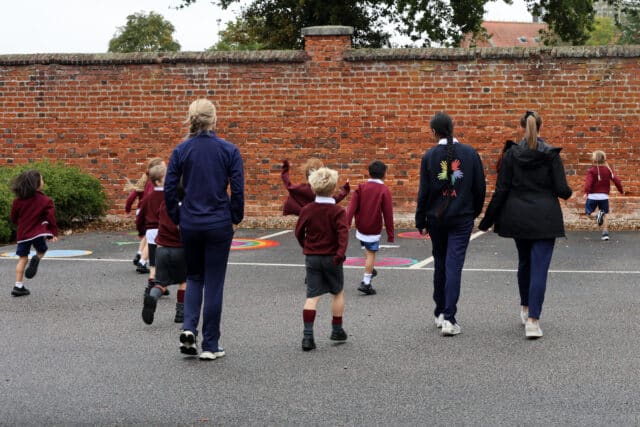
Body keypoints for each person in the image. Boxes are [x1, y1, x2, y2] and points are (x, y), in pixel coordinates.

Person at [479, 111, 572, 339]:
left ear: (522, 127)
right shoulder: (550, 154)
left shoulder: (511, 154)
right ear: (541, 126)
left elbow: (502, 189)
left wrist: (487, 220)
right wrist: (568, 191)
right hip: (545, 216)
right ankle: (533, 321)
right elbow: (562, 190)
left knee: (524, 263)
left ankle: (525, 307)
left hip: (517, 216)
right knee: (539, 267)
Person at [165, 98, 244, 361]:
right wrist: (236, 217)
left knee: (194, 277)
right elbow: (238, 188)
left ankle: (189, 328)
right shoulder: (228, 149)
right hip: (219, 221)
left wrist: (177, 215)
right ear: (214, 118)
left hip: (190, 221)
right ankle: (210, 343)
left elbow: (169, 187)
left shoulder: (181, 150)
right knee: (214, 282)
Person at [415, 112, 486, 336]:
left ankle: (439, 312)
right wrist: (473, 212)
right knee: (453, 265)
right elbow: (479, 187)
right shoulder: (470, 153)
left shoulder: (429, 156)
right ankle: (449, 317)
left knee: (440, 262)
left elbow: (424, 191)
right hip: (462, 215)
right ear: (452, 128)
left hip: (436, 217)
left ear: (434, 132)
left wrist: (420, 219)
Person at [295, 167, 349, 351]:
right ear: (334, 188)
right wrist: (340, 253)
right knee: (338, 292)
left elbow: (298, 232)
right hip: (332, 256)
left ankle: (308, 337)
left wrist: (306, 246)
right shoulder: (337, 211)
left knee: (312, 296)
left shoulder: (307, 209)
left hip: (312, 256)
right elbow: (343, 234)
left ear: (313, 187)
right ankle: (336, 329)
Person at [345, 160, 394, 295]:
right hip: (373, 227)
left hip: (360, 226)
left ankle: (370, 270)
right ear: (384, 174)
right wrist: (390, 234)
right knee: (371, 254)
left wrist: (346, 224)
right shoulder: (384, 190)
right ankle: (366, 282)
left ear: (369, 173)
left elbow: (351, 208)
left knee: (367, 251)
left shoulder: (360, 187)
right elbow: (388, 213)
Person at [141, 182, 187, 325]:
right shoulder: (186, 209)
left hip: (161, 250)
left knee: (160, 283)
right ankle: (181, 312)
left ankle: (153, 298)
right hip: (180, 250)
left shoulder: (164, 205)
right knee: (185, 281)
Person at [9, 170, 59, 297]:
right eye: (42, 180)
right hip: (37, 233)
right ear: (37, 184)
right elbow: (50, 217)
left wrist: (20, 224)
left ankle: (18, 286)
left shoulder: (18, 201)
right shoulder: (45, 200)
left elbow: (13, 218)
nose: (43, 181)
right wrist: (52, 232)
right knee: (42, 250)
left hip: (23, 234)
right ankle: (36, 259)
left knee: (22, 258)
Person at [124, 157, 165, 274]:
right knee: (150, 239)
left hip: (144, 211)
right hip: (149, 211)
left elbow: (132, 196)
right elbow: (134, 197)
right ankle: (142, 261)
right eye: (162, 166)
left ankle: (140, 256)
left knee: (148, 237)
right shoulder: (153, 184)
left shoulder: (145, 180)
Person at [136, 163, 167, 297]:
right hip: (163, 231)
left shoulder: (148, 197)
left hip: (150, 232)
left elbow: (140, 216)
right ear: (159, 180)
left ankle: (151, 286)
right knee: (163, 261)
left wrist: (141, 230)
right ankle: (160, 285)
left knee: (153, 263)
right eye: (166, 177)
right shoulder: (168, 196)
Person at [281, 158, 350, 216]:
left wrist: (285, 168)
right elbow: (334, 199)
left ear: (306, 174)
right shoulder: (321, 189)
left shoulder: (300, 188)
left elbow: (288, 184)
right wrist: (345, 190)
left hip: (303, 216)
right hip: (318, 219)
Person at [584, 150, 624, 241]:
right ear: (604, 160)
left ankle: (597, 215)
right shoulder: (608, 170)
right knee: (605, 214)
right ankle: (605, 234)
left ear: (594, 160)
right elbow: (616, 180)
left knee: (588, 213)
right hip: (604, 197)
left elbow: (588, 184)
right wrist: (621, 190)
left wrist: (586, 192)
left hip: (592, 196)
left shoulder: (591, 171)